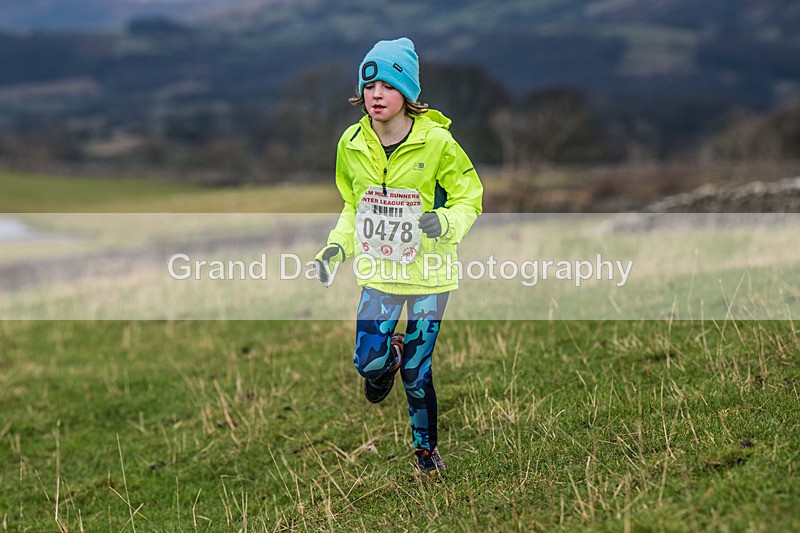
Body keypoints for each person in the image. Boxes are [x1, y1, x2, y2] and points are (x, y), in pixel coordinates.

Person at [314, 37, 483, 475]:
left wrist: (444, 223)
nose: (376, 96)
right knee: (368, 364)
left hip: (430, 274)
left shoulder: (438, 143)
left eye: (387, 86)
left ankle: (426, 454)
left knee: (416, 369)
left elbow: (470, 197)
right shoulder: (350, 144)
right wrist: (335, 248)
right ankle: (383, 358)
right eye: (369, 88)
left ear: (407, 93)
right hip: (380, 273)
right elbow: (353, 207)